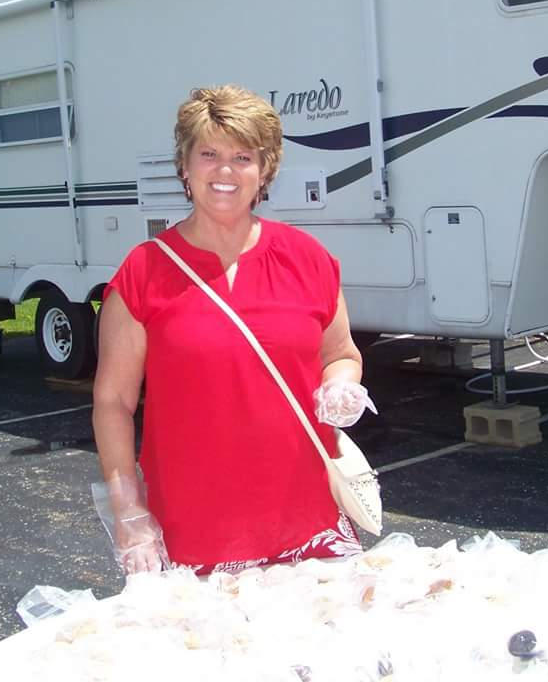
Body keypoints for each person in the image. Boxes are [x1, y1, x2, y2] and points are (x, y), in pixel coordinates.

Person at [92, 84, 377, 575]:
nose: (225, 171)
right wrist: (129, 512)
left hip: (311, 527)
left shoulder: (308, 260)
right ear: (184, 166)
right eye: (208, 154)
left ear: (265, 170)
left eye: (243, 157)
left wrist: (342, 384)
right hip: (193, 535)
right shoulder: (142, 273)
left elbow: (342, 352)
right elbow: (113, 403)